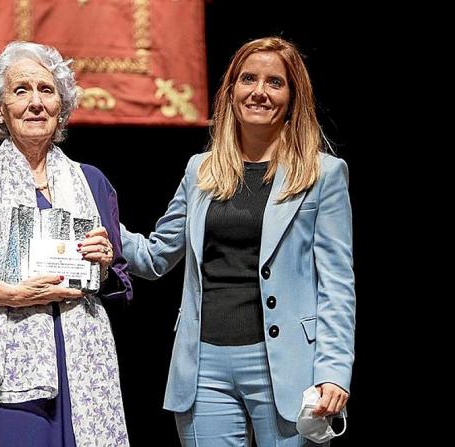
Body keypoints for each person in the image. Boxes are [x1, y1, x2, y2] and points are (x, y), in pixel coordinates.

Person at [121, 36, 356, 446]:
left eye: (274, 82)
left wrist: (334, 370)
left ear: (292, 96)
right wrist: (101, 224)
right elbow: (157, 256)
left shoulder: (323, 174)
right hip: (203, 368)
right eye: (248, 79)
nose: (259, 92)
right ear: (231, 92)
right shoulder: (201, 171)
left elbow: (337, 284)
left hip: (286, 368)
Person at [0, 41, 132, 447]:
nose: (35, 102)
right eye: (21, 91)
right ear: (1, 108)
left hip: (80, 370)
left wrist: (104, 267)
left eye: (46, 90)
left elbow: (120, 281)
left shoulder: (93, 182)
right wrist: (2, 294)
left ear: (61, 107)